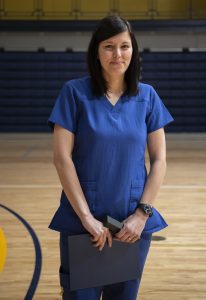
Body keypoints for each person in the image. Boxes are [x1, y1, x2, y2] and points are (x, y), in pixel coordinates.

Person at [48, 15, 174, 300]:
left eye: (125, 46)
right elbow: (61, 158)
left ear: (134, 50)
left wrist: (142, 215)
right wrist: (86, 218)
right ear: (96, 51)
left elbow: (160, 160)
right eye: (109, 46)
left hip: (130, 226)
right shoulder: (73, 93)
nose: (118, 54)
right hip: (83, 226)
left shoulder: (148, 97)